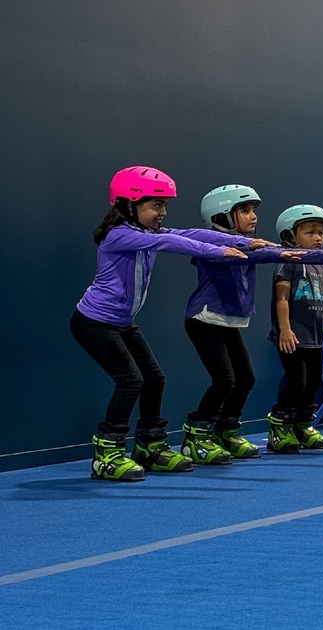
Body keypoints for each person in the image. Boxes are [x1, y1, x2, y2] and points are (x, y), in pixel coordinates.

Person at [70, 166, 255, 482]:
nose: (163, 213)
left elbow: (190, 234)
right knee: (130, 380)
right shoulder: (120, 235)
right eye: (157, 205)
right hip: (94, 322)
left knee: (154, 379)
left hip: (123, 323)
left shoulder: (145, 232)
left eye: (165, 205)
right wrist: (219, 250)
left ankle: (149, 446)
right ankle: (107, 455)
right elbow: (176, 245)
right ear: (130, 204)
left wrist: (245, 242)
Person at [183, 187, 323, 464]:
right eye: (245, 211)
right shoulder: (215, 246)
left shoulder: (249, 243)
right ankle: (197, 434)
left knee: (245, 378)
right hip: (205, 318)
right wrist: (283, 253)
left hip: (227, 321)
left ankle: (226, 430)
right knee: (225, 380)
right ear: (222, 214)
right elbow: (256, 255)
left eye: (254, 211)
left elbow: (268, 252)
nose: (253, 217)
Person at [266, 205, 323, 453]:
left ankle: (303, 424)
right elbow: (281, 298)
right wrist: (284, 329)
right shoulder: (289, 263)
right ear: (290, 236)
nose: (318, 238)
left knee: (313, 383)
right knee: (296, 381)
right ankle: (280, 425)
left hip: (314, 338)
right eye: (310, 232)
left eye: (321, 233)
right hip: (292, 337)